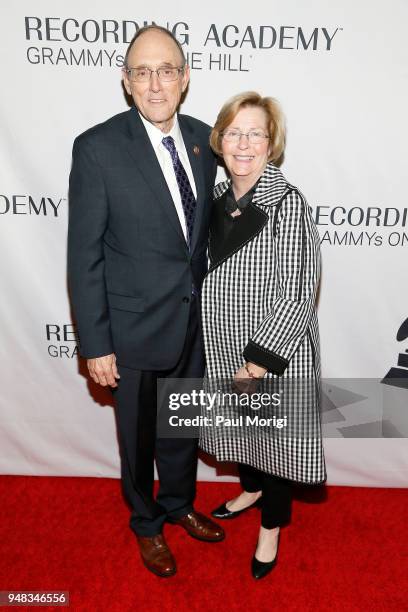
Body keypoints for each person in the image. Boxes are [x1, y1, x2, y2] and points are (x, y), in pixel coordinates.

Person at [67, 25, 224, 578]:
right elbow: (84, 255)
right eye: (142, 71)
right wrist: (97, 341)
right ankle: (147, 524)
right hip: (131, 335)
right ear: (125, 81)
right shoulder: (97, 149)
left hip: (193, 328)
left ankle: (180, 504)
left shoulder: (208, 141)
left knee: (181, 428)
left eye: (166, 70)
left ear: (185, 77)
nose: (155, 84)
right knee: (136, 440)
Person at [200, 92, 326, 579]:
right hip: (221, 348)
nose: (244, 143)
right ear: (219, 141)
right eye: (234, 132)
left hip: (270, 355)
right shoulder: (213, 201)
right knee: (240, 433)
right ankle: (249, 490)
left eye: (256, 133)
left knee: (275, 446)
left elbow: (297, 294)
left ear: (272, 145)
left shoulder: (288, 203)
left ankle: (271, 527)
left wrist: (255, 365)